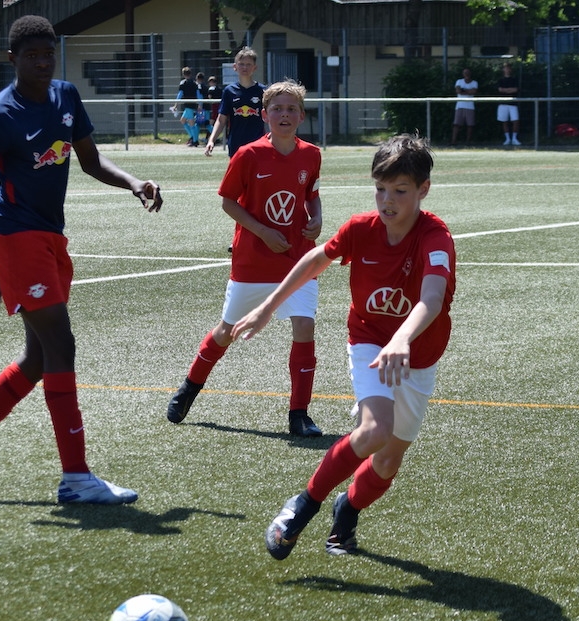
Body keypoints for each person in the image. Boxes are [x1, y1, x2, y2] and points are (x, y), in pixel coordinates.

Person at [0, 15, 162, 506]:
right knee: (61, 344)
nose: (42, 62)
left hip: (50, 236)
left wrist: (133, 182)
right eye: (31, 55)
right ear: (13, 59)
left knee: (37, 358)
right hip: (13, 236)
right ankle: (76, 477)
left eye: (48, 53)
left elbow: (90, 160)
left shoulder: (66, 96)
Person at [232, 134, 456, 560]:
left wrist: (403, 338)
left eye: (400, 191)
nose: (387, 201)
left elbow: (431, 298)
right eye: (380, 189)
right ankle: (303, 505)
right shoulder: (360, 228)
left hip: (417, 354)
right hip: (370, 339)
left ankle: (347, 508)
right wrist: (267, 306)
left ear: (423, 190)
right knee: (374, 430)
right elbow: (316, 259)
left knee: (387, 461)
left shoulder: (435, 236)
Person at [167, 79, 323, 437]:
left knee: (304, 326)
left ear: (301, 116)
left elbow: (312, 194)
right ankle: (189, 387)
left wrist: (316, 217)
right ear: (264, 115)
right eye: (277, 109)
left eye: (291, 109)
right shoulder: (248, 154)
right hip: (253, 260)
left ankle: (299, 414)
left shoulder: (312, 154)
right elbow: (228, 202)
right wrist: (264, 232)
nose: (284, 115)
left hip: (297, 259)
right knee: (226, 332)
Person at [204, 47, 267, 157]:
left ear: (255, 67)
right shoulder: (229, 91)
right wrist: (211, 140)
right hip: (236, 144)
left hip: (258, 144)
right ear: (235, 67)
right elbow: (221, 119)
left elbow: (271, 118)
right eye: (241, 64)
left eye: (248, 64)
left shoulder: (263, 91)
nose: (244, 67)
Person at [174, 67, 202, 147]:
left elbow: (180, 94)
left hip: (188, 105)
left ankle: (195, 140)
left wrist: (176, 104)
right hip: (192, 104)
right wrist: (200, 104)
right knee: (183, 120)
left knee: (191, 123)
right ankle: (192, 136)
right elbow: (198, 95)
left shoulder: (183, 83)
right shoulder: (195, 83)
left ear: (183, 74)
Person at [451, 68, 477, 145]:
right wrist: (468, 91)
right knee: (456, 124)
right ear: (463, 74)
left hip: (470, 106)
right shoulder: (459, 81)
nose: (466, 74)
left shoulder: (474, 83)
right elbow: (458, 91)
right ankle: (453, 141)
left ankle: (468, 142)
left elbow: (473, 91)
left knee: (470, 125)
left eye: (468, 73)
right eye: (465, 73)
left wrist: (463, 90)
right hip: (459, 106)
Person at [496, 63, 521, 146]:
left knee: (515, 120)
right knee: (504, 121)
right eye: (506, 68)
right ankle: (507, 139)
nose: (507, 70)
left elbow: (515, 89)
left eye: (508, 68)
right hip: (503, 103)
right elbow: (500, 90)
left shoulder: (514, 79)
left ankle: (514, 138)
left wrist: (506, 90)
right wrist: (509, 90)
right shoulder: (500, 80)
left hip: (513, 103)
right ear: (503, 70)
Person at [204, 75, 221, 145]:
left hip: (214, 107)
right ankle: (208, 138)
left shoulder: (211, 89)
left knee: (210, 123)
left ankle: (212, 138)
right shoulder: (219, 89)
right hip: (219, 106)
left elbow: (209, 97)